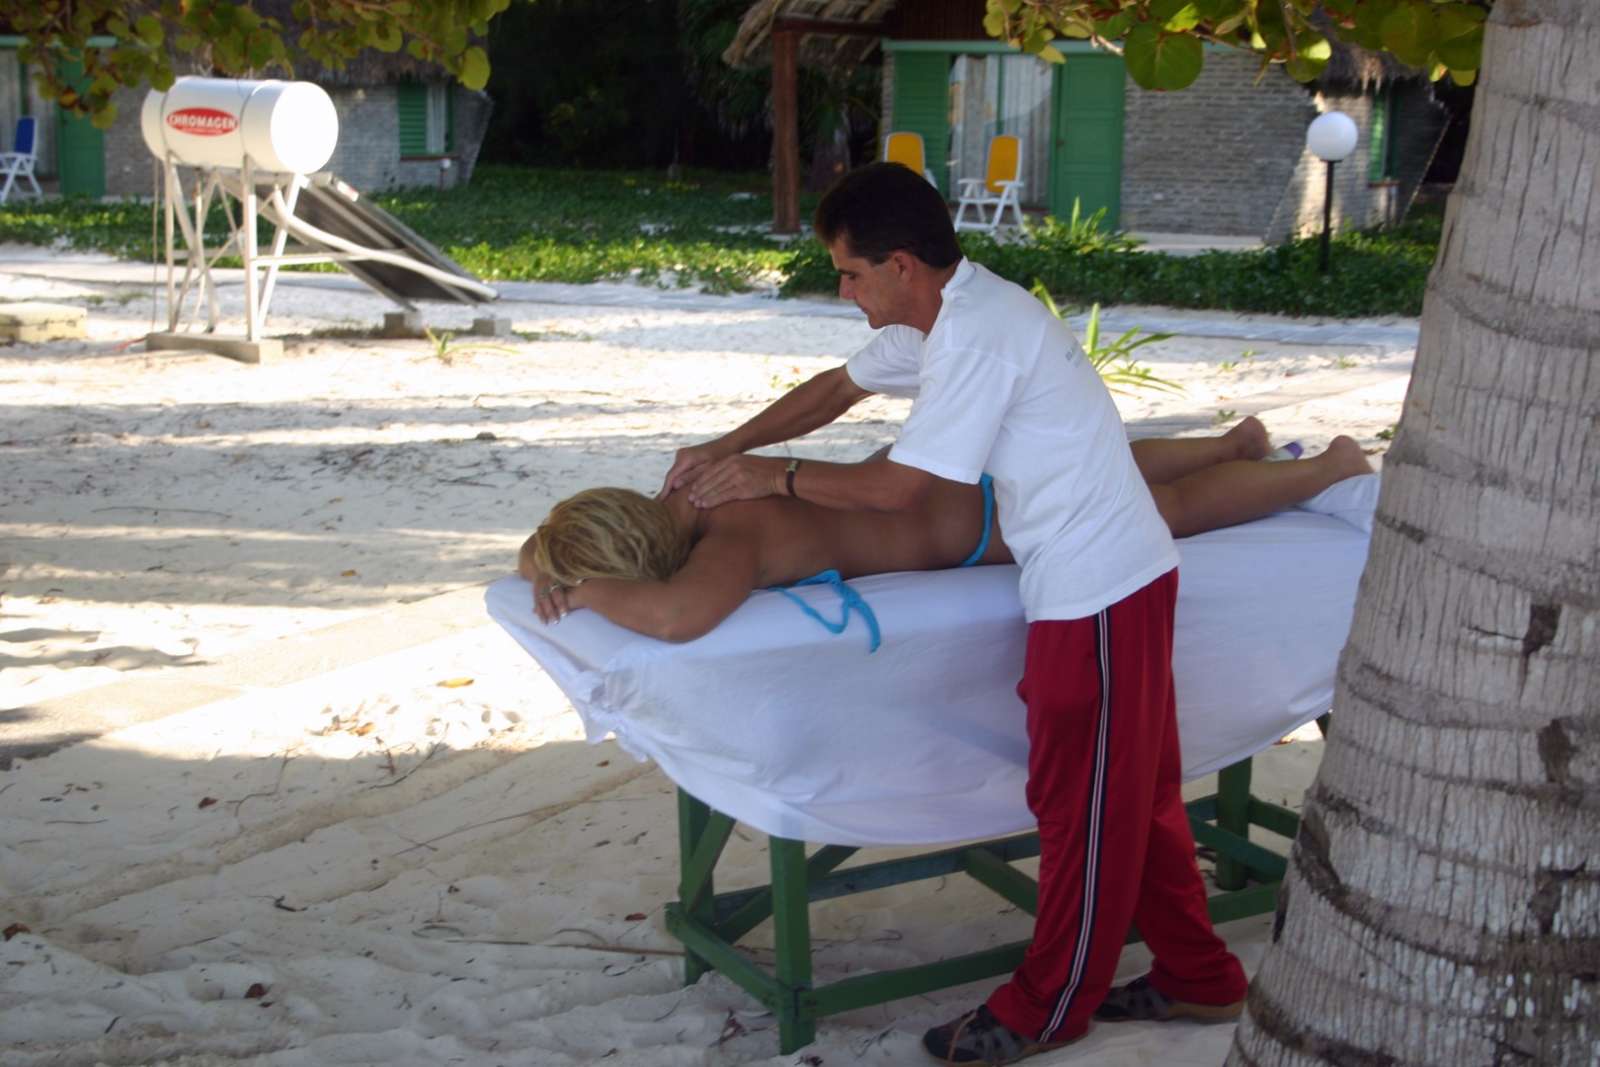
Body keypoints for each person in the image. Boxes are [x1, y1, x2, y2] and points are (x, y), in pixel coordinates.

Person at [640, 159, 1264, 1064]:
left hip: (1102, 589)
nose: (842, 288)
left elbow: (905, 486)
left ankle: (1047, 1007)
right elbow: (836, 388)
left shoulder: (978, 335)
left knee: (1080, 804)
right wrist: (728, 441)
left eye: (850, 272)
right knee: (1135, 798)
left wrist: (770, 475)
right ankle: (1201, 977)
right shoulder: (935, 312)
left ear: (901, 264)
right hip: (1087, 582)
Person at [521, 421, 1373, 643]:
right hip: (932, 474)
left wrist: (591, 592)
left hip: (960, 524)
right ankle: (1233, 444)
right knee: (1099, 456)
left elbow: (677, 616)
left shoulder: (729, 542)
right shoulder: (698, 484)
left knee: (1163, 513)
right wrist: (560, 566)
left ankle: (1324, 471)